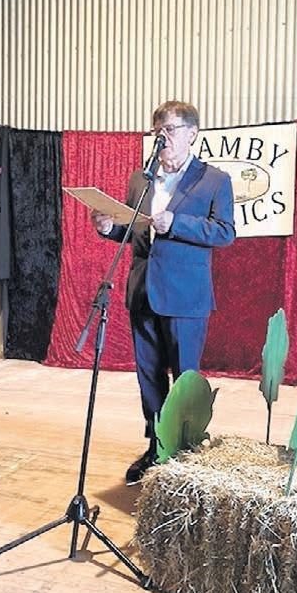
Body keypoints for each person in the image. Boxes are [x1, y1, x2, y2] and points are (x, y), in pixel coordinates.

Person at [91, 101, 235, 483]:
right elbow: (135, 232)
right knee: (149, 378)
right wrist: (109, 228)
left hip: (186, 298)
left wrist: (177, 223)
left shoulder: (214, 180)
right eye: (158, 130)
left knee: (184, 379)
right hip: (143, 293)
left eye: (170, 129)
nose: (162, 137)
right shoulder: (141, 180)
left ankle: (184, 454)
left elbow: (225, 232)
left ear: (192, 133)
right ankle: (157, 448)